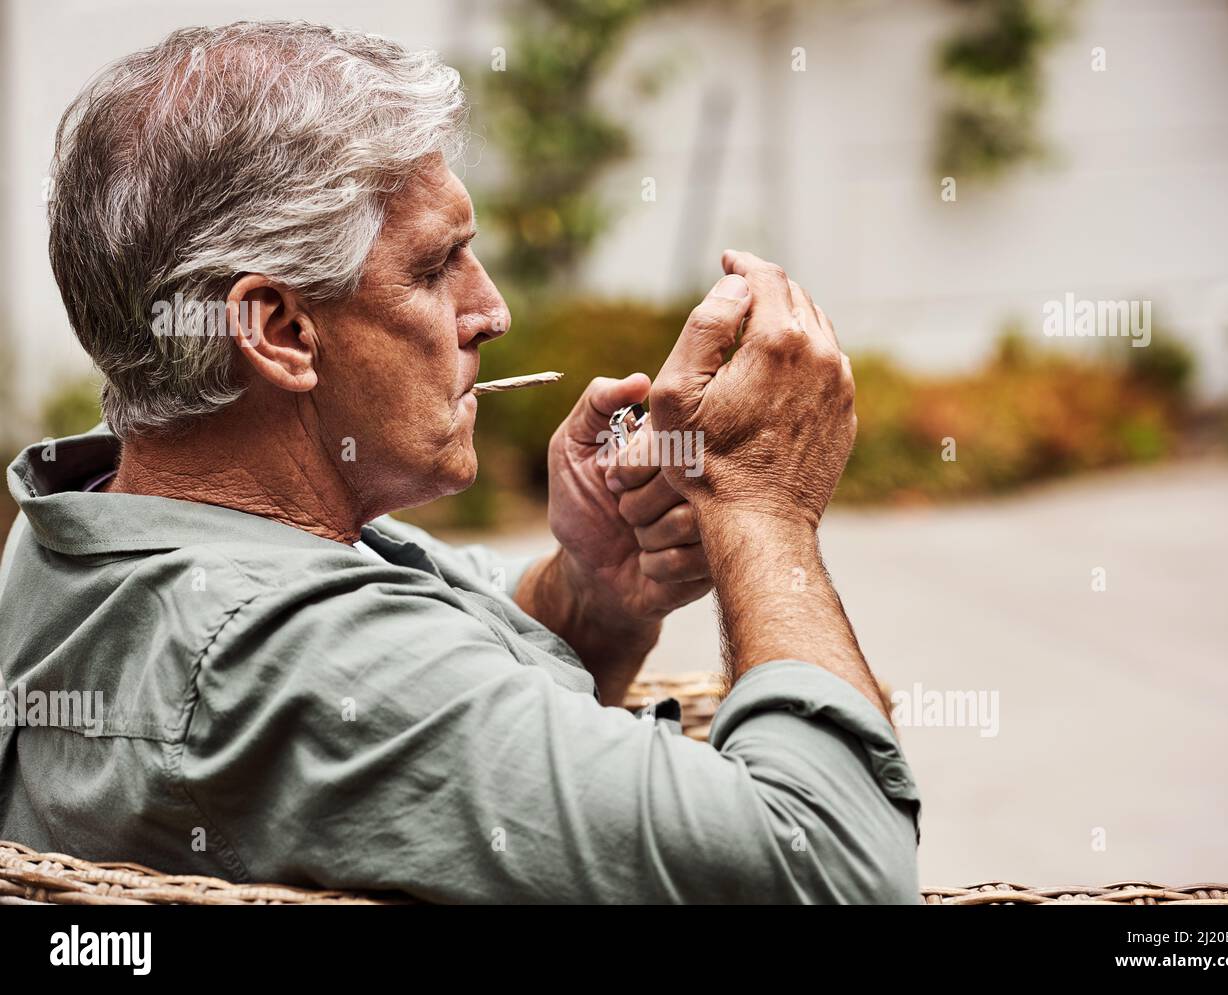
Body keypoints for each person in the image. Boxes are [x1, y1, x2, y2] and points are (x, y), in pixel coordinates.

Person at [0, 21, 920, 903]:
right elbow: (832, 873)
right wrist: (763, 505)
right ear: (280, 331)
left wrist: (589, 595)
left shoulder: (90, 518)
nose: (492, 310)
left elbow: (444, 678)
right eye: (437, 268)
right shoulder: (297, 662)